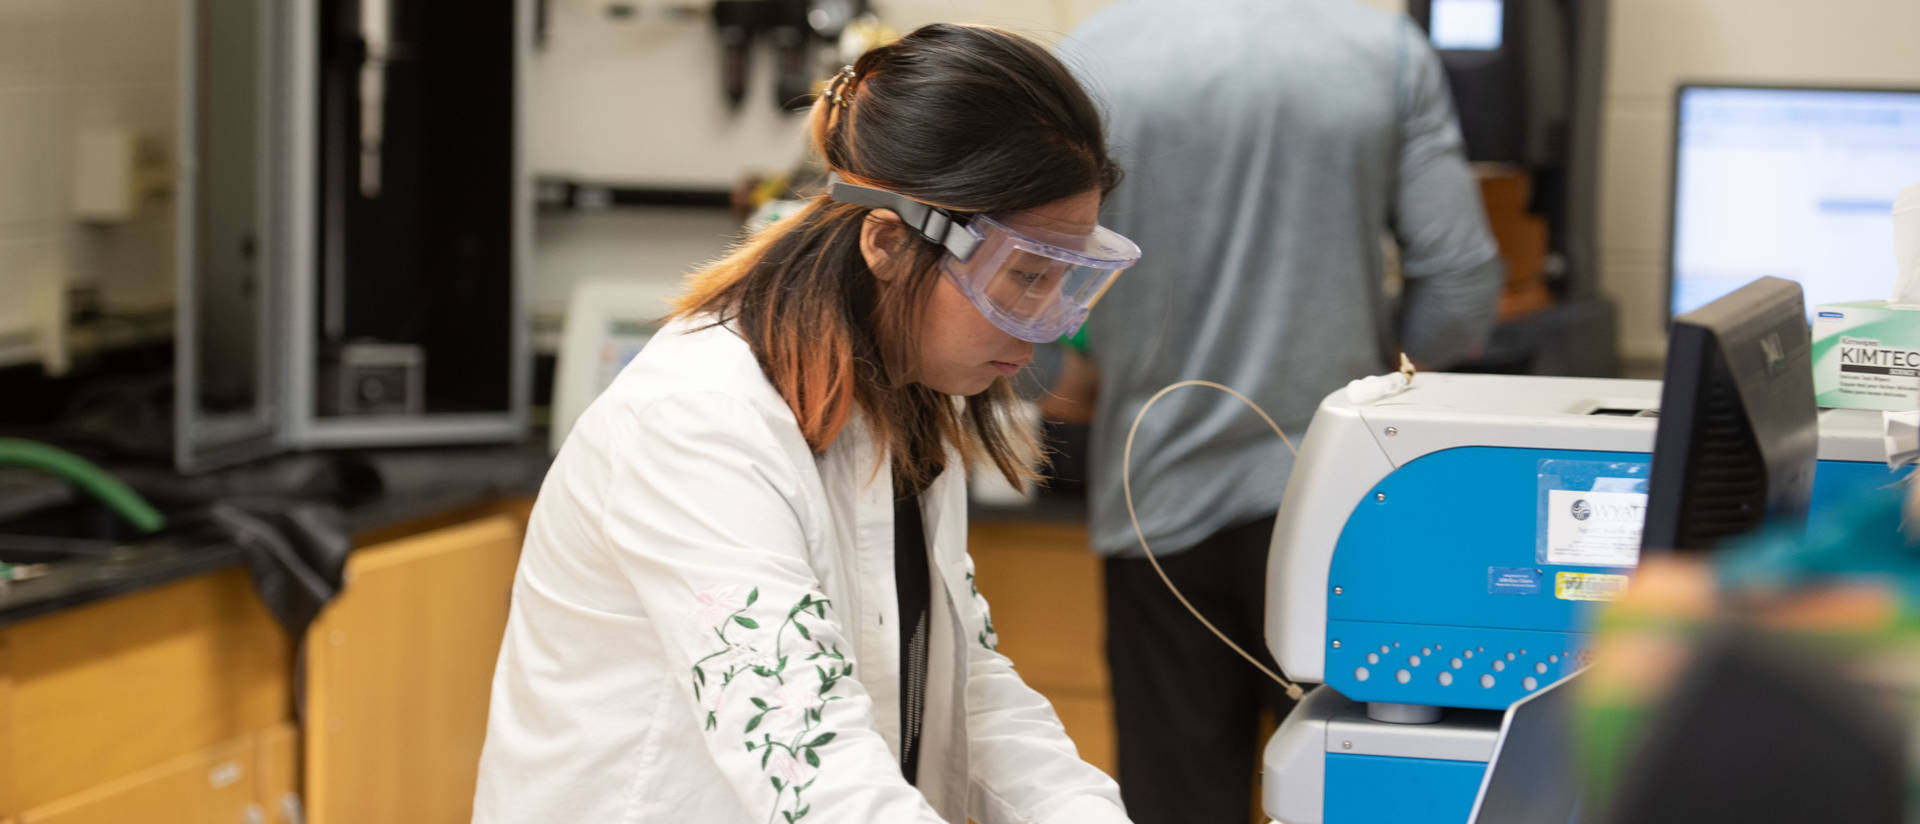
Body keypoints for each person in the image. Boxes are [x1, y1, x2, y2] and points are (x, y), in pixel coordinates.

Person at [473, 23, 1141, 824]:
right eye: (1023, 276)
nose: (1044, 324)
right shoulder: (700, 422)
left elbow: (968, 688)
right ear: (889, 242)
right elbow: (800, 748)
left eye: (1067, 281)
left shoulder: (906, 397)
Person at [1056, 2, 1505, 822]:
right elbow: (1463, 283)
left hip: (1155, 506)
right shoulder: (1382, 51)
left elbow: (1038, 293)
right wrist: (1374, 393)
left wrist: (1082, 378)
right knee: (1348, 791)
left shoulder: (1090, 58)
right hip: (1342, 509)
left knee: (1179, 806)